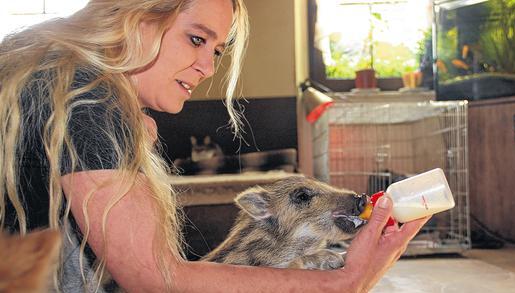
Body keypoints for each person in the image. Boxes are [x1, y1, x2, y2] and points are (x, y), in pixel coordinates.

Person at [0, 0, 431, 292]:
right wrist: (340, 283)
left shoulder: (62, 82)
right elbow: (157, 277)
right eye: (195, 39)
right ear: (139, 18)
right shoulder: (89, 97)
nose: (207, 67)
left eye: (217, 51)